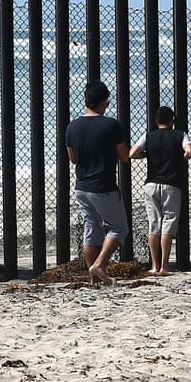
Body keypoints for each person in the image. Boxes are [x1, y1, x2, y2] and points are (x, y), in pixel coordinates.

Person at [65, 80, 130, 286]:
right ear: (103, 102)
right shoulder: (111, 125)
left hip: (82, 187)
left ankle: (93, 277)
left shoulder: (72, 126)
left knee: (91, 230)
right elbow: (124, 156)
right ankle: (99, 265)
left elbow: (73, 158)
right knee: (119, 228)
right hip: (103, 186)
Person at [129, 105, 191, 276]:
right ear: (172, 120)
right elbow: (190, 150)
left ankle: (154, 265)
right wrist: (183, 157)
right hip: (172, 185)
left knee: (154, 224)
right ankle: (165, 265)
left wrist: (146, 154)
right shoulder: (180, 135)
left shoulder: (148, 136)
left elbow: (132, 153)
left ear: (156, 121)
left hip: (151, 184)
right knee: (168, 223)